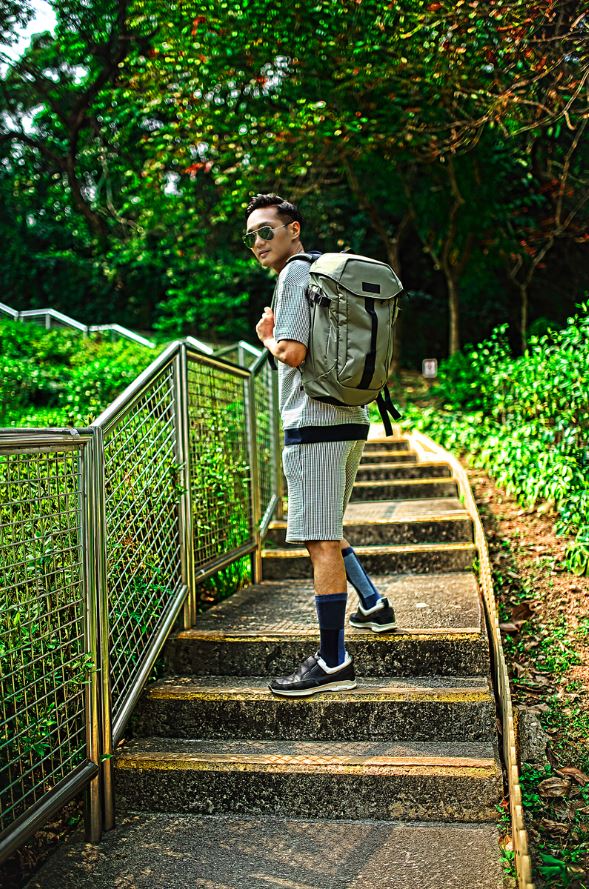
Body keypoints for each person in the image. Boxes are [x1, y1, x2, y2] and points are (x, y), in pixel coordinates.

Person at [247, 193, 396, 698]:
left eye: (266, 230)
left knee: (319, 539)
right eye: (251, 236)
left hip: (314, 424)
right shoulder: (320, 273)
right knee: (326, 526)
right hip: (349, 417)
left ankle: (333, 660)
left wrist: (267, 337)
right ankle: (373, 604)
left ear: (293, 229)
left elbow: (291, 352)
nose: (258, 242)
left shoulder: (294, 275)